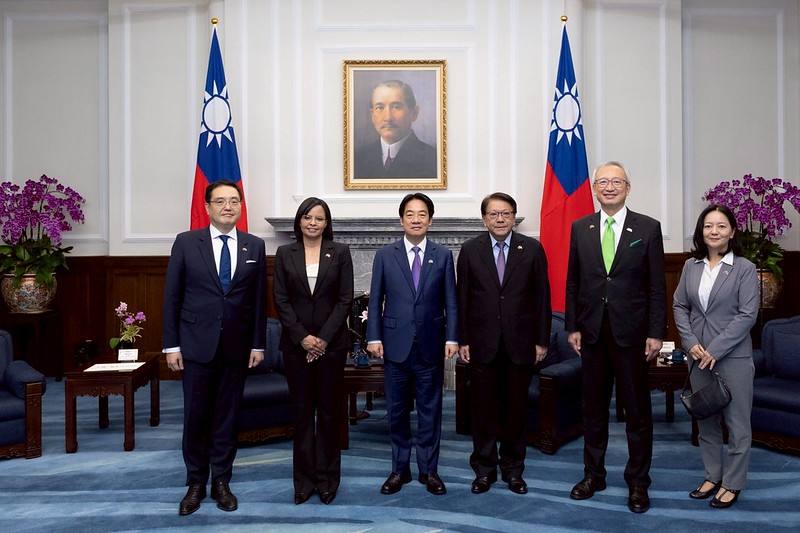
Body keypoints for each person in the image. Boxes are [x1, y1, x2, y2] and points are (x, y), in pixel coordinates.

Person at [565, 161, 666, 514]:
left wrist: (656, 332)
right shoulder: (581, 228)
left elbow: (656, 287)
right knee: (592, 410)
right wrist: (573, 326)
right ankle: (594, 474)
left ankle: (638, 481)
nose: (609, 187)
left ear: (628, 186)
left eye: (616, 181)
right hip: (591, 333)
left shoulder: (648, 228)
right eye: (603, 182)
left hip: (633, 335)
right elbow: (574, 282)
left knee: (637, 412)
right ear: (594, 188)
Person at [162, 179, 266, 516]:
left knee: (227, 416)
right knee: (196, 416)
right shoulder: (187, 243)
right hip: (195, 346)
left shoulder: (255, 245)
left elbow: (258, 303)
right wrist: (171, 346)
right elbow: (172, 298)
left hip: (236, 348)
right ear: (207, 207)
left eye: (234, 201)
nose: (227, 207)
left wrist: (257, 344)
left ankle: (221, 480)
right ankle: (195, 482)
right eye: (220, 201)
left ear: (240, 207)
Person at [456, 192, 551, 495]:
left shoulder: (532, 249)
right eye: (494, 214)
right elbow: (462, 299)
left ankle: (513, 469)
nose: (500, 219)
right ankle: (484, 470)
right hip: (482, 344)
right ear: (484, 219)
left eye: (506, 213)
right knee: (482, 411)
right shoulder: (470, 251)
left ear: (514, 217)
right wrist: (464, 339)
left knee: (515, 411)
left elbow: (542, 299)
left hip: (520, 344)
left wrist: (541, 340)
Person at [366, 192, 458, 496]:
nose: (416, 219)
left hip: (431, 345)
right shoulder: (385, 255)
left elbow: (451, 302)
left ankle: (429, 471)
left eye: (422, 214)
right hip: (394, 346)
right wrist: (374, 337)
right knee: (396, 411)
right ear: (401, 218)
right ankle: (399, 469)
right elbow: (376, 298)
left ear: (430, 220)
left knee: (431, 411)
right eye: (410, 214)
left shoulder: (443, 255)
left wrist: (452, 337)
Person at [673, 204, 759, 509]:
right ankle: (712, 475)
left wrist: (715, 350)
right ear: (701, 231)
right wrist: (690, 342)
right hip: (697, 357)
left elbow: (748, 315)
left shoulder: (745, 268)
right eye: (708, 226)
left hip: (732, 357)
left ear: (732, 232)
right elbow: (680, 306)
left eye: (721, 226)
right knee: (706, 421)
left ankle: (733, 482)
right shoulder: (690, 266)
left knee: (737, 425)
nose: (714, 231)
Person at [273, 197, 354, 506]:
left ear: (326, 223)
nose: (313, 223)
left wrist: (321, 340)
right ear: (299, 221)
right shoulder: (284, 254)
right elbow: (280, 300)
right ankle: (304, 481)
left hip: (332, 347)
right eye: (307, 217)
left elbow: (345, 299)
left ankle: (327, 480)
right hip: (296, 348)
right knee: (303, 414)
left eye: (319, 218)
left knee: (330, 415)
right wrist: (303, 338)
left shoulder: (341, 252)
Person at [354, 80, 437, 179]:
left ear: (414, 113)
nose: (388, 118)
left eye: (396, 107)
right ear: (372, 115)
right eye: (380, 107)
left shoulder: (433, 159)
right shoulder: (357, 158)